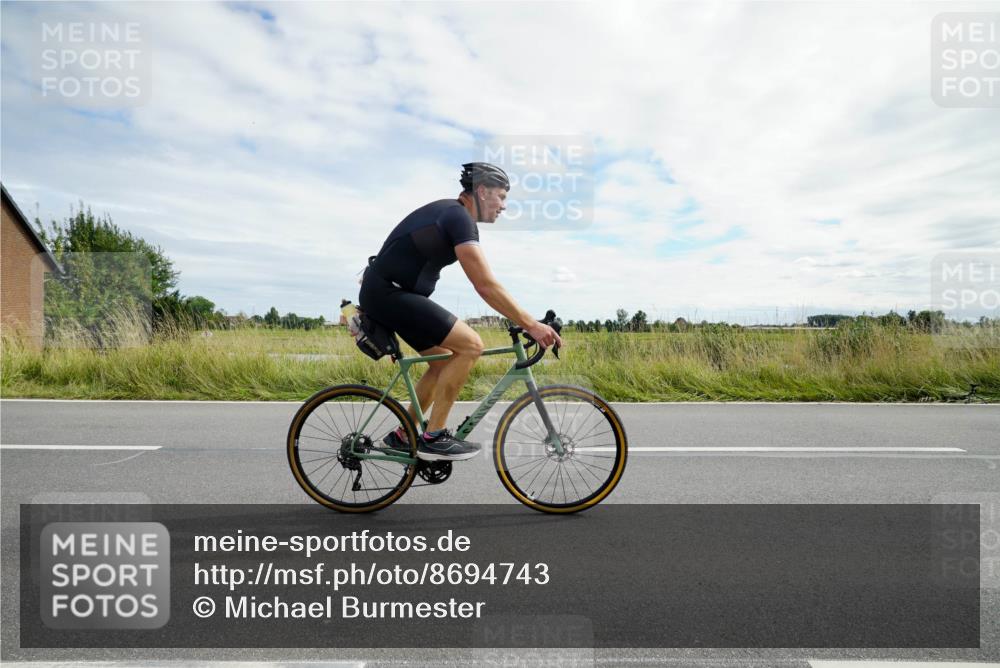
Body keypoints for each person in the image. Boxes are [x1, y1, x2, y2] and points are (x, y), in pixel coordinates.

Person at [359, 162, 562, 462]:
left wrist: (529, 321)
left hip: (389, 293)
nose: (503, 206)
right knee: (471, 345)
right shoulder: (458, 217)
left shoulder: (454, 216)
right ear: (482, 191)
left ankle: (403, 435)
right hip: (389, 293)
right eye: (501, 197)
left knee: (443, 360)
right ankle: (434, 437)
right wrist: (531, 324)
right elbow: (485, 285)